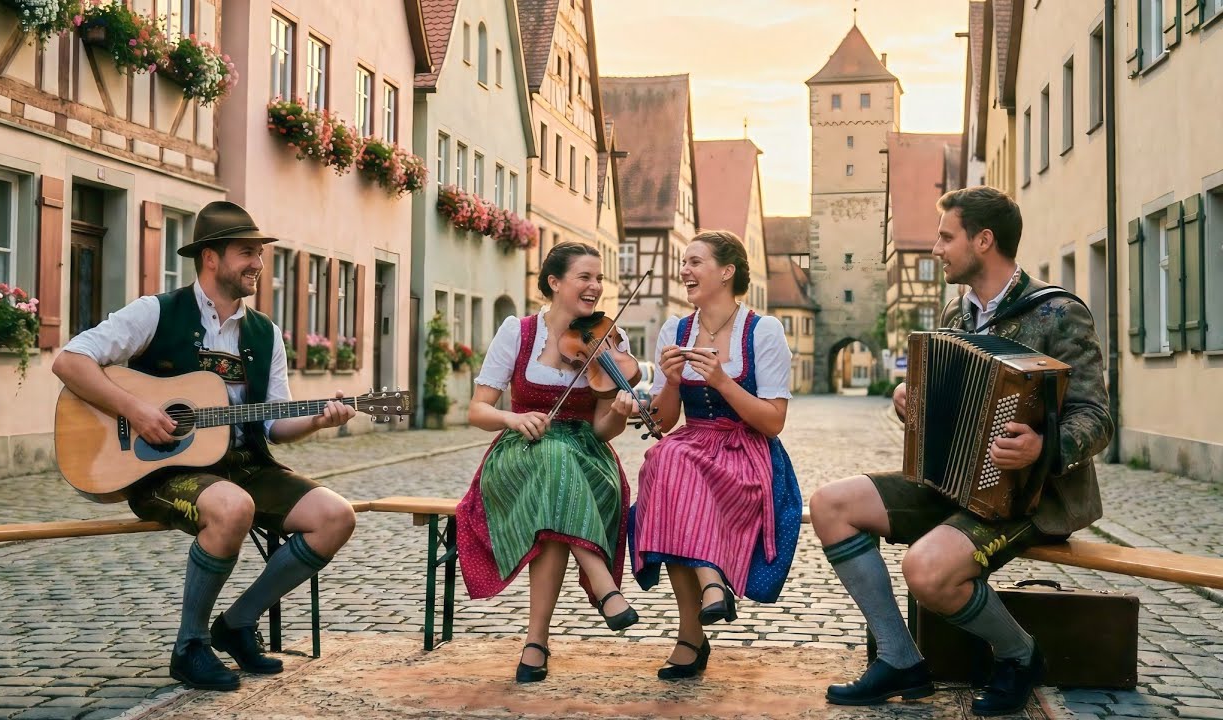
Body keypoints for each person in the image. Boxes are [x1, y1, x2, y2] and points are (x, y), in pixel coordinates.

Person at [810, 186, 1113, 715]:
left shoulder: (1059, 314)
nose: (935, 249)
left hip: (1031, 495)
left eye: (946, 237)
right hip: (957, 481)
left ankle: (1020, 656)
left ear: (984, 240)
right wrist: (914, 401)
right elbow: (955, 399)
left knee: (926, 571)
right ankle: (901, 659)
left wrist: (1044, 446)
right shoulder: (959, 312)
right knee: (830, 505)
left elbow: (1098, 418)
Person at [52, 201, 358, 691]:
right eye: (246, 252)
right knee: (232, 507)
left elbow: (275, 424)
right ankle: (189, 645)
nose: (258, 262)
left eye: (259, 252)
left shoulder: (265, 333)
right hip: (162, 470)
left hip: (244, 463)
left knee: (336, 516)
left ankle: (236, 624)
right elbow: (70, 362)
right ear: (210, 258)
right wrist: (136, 410)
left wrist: (318, 421)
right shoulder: (156, 312)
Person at [455, 241, 641, 683]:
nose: (595, 286)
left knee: (557, 486)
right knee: (552, 462)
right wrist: (513, 417)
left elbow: (600, 432)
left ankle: (535, 641)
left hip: (586, 455)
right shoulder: (517, 332)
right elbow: (478, 411)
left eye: (599, 278)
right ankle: (600, 580)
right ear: (555, 283)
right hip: (520, 452)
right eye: (584, 277)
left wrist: (616, 412)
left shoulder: (610, 339)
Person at [629, 230, 802, 680]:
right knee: (667, 459)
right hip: (692, 443)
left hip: (746, 451)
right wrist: (668, 382)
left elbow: (773, 421)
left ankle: (693, 629)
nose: (684, 271)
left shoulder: (763, 330)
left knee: (673, 468)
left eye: (694, 262)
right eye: (683, 263)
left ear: (726, 272)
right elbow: (664, 424)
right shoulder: (676, 330)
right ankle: (708, 594)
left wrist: (724, 382)